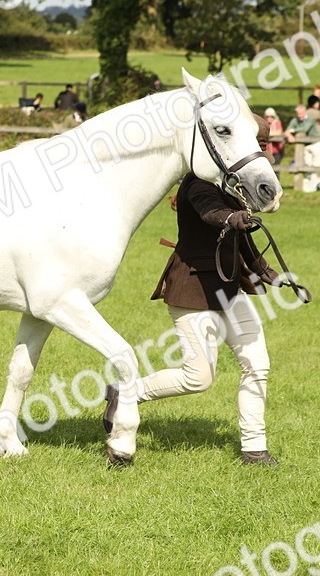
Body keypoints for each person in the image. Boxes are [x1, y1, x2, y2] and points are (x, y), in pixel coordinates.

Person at [104, 115, 283, 466]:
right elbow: (209, 212)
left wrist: (270, 273)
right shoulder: (196, 183)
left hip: (231, 291)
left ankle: (254, 449)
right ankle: (127, 392)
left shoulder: (236, 186)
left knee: (257, 365)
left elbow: (242, 238)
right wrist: (232, 218)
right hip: (192, 290)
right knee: (198, 378)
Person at [284, 104, 320, 192]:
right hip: (305, 145)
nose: (299, 116)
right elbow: (287, 130)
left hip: (315, 144)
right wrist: (288, 134)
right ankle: (311, 185)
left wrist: (292, 131)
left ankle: (315, 184)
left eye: (301, 114)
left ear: (305, 112)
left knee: (315, 166)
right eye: (298, 114)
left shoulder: (310, 119)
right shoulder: (295, 120)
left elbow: (304, 129)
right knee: (307, 165)